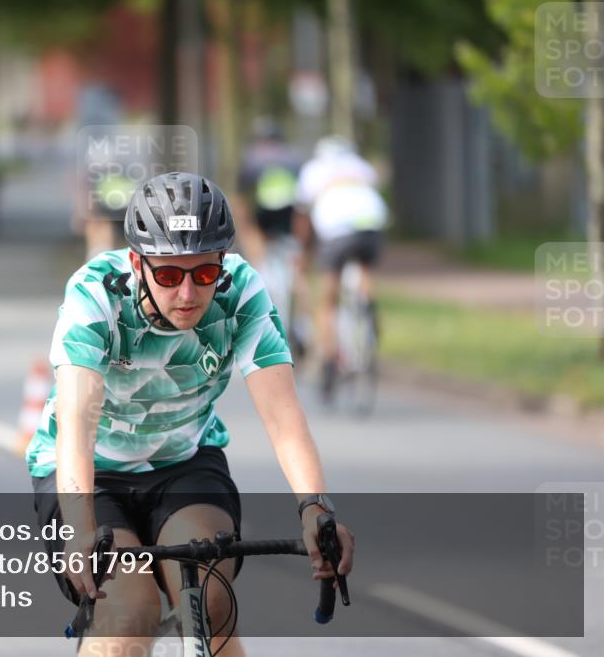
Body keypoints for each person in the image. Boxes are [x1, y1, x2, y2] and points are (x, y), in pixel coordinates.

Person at [26, 172, 355, 656]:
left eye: (203, 274)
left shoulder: (241, 291)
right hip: (92, 470)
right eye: (168, 275)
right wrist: (77, 528)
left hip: (184, 460)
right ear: (138, 262)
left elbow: (283, 417)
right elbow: (77, 422)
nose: (187, 294)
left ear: (221, 262)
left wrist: (316, 509)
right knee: (127, 614)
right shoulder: (95, 296)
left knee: (211, 598)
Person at [296, 136, 387, 401]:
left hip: (337, 229)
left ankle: (329, 360)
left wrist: (304, 252)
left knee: (328, 300)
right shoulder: (361, 165)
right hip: (371, 223)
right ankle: (369, 304)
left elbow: (303, 217)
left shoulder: (313, 170)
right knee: (364, 270)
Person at [234, 117, 312, 359]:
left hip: (264, 220)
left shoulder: (252, 158)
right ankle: (303, 329)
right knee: (298, 277)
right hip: (290, 219)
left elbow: (241, 202)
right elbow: (303, 207)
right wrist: (302, 246)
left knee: (262, 271)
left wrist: (249, 238)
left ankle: (264, 326)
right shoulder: (294, 158)